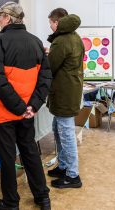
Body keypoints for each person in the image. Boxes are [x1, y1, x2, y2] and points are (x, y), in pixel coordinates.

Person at [0, 2, 52, 210]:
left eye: (0, 17)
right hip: (27, 112)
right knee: (30, 152)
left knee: (7, 157)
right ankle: (43, 197)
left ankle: (11, 203)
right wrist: (32, 106)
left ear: (7, 17)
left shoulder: (0, 41)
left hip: (4, 112)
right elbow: (45, 77)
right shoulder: (35, 41)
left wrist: (19, 106)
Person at [46, 8, 84, 189]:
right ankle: (63, 166)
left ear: (57, 22)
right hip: (70, 89)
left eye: (51, 24)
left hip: (64, 92)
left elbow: (50, 66)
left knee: (66, 133)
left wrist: (46, 56)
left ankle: (72, 175)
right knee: (58, 128)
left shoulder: (61, 41)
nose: (51, 27)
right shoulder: (75, 36)